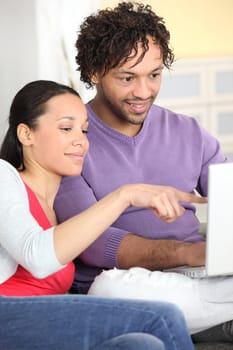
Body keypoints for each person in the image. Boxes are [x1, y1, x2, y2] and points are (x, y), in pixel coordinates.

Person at [54, 1, 233, 343]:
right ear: (94, 72)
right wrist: (190, 253)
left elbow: (229, 197)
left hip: (198, 278)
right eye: (127, 78)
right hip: (130, 282)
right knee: (109, 290)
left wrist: (210, 257)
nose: (143, 91)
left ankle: (209, 320)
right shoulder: (71, 141)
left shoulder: (189, 131)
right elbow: (92, 246)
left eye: (153, 75)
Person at [0, 79, 198, 349]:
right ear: (26, 134)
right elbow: (38, 257)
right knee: (161, 317)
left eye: (84, 131)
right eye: (66, 128)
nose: (80, 141)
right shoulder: (4, 178)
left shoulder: (61, 205)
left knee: (140, 345)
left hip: (39, 329)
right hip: (7, 314)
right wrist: (125, 194)